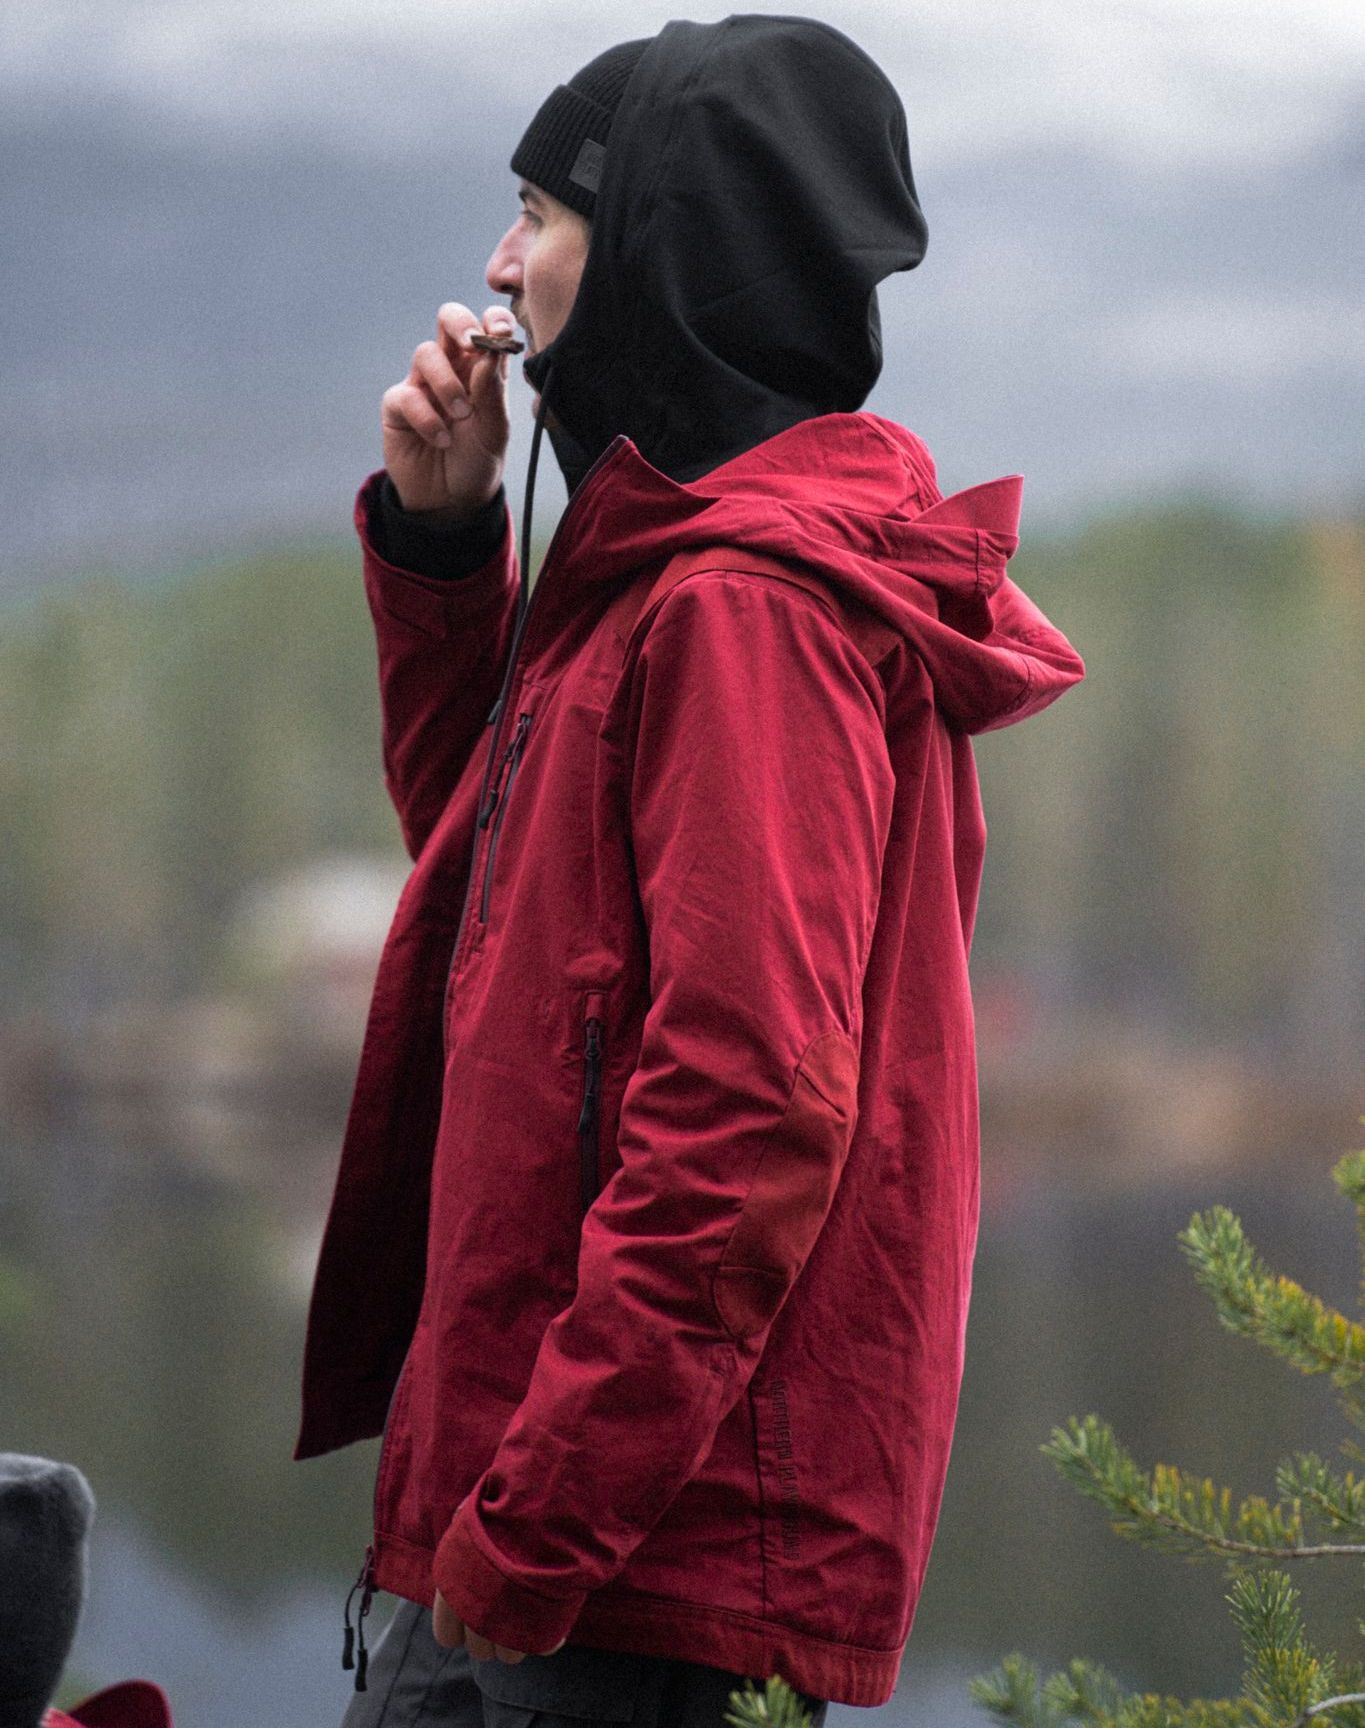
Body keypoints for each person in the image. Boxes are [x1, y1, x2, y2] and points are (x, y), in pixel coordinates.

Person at [296, 16, 1085, 1725]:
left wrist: (533, 1532)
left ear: (664, 242)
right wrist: (443, 548)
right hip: (538, 1531)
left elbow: (743, 1115)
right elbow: (490, 922)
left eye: (538, 212)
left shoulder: (748, 608)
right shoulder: (659, 580)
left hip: (631, 1579)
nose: (496, 267)